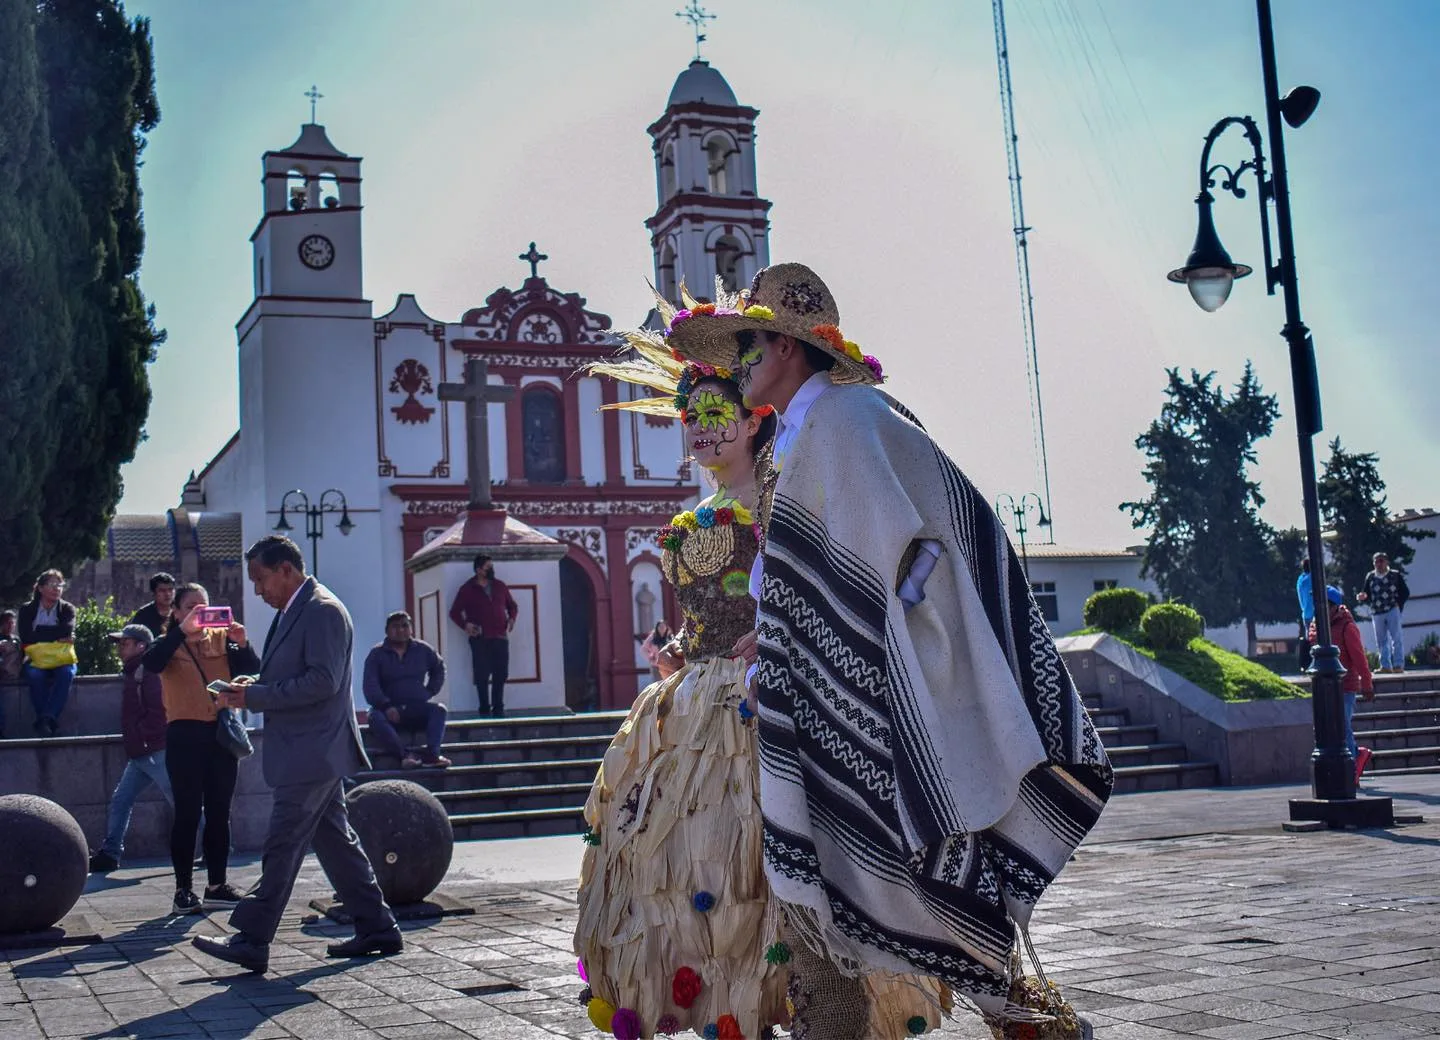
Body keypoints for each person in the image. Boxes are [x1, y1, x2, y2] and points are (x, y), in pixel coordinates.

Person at [665, 264, 1110, 1038]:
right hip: (823, 685)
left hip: (872, 686)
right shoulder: (806, 436)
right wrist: (781, 628)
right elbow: (823, 566)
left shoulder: (849, 422)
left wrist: (866, 629)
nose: (737, 367)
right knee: (847, 878)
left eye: (748, 348)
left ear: (786, 348)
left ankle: (1019, 1014)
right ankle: (1009, 1015)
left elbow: (926, 542)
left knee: (906, 856)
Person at [573, 328, 947, 1039]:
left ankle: (806, 1002)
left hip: (772, 699)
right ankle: (733, 1005)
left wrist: (779, 633)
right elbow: (699, 618)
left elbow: (825, 585)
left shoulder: (786, 504)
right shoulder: (685, 526)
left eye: (718, 418)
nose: (704, 433)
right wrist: (679, 652)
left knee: (776, 858)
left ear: (753, 421)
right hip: (691, 718)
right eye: (693, 421)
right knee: (690, 860)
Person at [192, 535, 400, 973]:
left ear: (286, 569)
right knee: (337, 843)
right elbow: (297, 675)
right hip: (311, 749)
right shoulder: (298, 609)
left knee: (282, 844)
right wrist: (253, 687)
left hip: (314, 750)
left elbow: (321, 683)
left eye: (261, 578)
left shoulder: (322, 610)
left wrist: (253, 698)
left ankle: (252, 937)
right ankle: (377, 926)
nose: (258, 589)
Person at [143, 583, 258, 914]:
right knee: (188, 812)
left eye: (204, 606)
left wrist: (242, 642)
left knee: (220, 811)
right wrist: (182, 631)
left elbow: (253, 671)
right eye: (192, 607)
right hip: (184, 733)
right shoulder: (168, 643)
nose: (199, 612)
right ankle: (183, 889)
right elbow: (151, 663)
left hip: (220, 734)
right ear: (177, 611)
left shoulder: (222, 641)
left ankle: (217, 885)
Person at [89, 624, 174, 873]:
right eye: (119, 643)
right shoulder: (134, 670)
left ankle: (219, 846)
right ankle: (110, 853)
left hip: (154, 750)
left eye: (124, 643)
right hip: (141, 752)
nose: (119, 648)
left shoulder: (147, 671)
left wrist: (146, 738)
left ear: (141, 646)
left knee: (182, 801)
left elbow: (159, 711)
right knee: (121, 800)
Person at [362, 610, 450, 768]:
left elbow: (439, 668)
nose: (401, 630)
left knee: (439, 710)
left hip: (416, 707)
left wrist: (429, 691)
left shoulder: (423, 650)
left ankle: (432, 755)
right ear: (387, 631)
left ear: (411, 629)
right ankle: (405, 755)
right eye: (395, 627)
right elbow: (370, 684)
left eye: (405, 626)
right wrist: (386, 706)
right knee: (374, 717)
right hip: (389, 711)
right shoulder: (377, 654)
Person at [1310, 585, 1376, 782]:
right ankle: (1357, 754)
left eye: (1326, 606)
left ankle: (1352, 766)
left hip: (1345, 686)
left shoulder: (1347, 626)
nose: (1320, 610)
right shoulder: (1317, 626)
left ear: (1335, 607)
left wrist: (1367, 682)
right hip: (1324, 687)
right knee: (1334, 727)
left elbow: (1359, 658)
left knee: (1343, 726)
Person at [448, 555, 517, 717]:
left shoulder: (500, 586)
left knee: (501, 674)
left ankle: (498, 708)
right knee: (482, 675)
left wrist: (512, 618)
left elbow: (512, 606)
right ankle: (484, 709)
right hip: (480, 638)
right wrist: (466, 625)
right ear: (478, 570)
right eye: (487, 567)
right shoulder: (467, 589)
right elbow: (454, 612)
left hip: (500, 636)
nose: (491, 570)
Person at [18, 569, 78, 737]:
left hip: (61, 657)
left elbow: (67, 630)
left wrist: (40, 632)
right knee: (34, 675)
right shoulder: (27, 610)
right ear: (40, 588)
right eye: (52, 585)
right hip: (35, 657)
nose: (57, 589)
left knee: (66, 673)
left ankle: (46, 718)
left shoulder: (67, 609)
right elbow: (26, 636)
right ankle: (47, 720)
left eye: (60, 585)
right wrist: (56, 635)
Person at [1357, 551, 1409, 673]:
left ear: (1386, 562)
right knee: (1381, 640)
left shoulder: (1395, 575)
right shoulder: (1370, 576)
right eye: (1376, 561)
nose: (1379, 564)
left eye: (1381, 561)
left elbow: (1405, 592)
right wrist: (1363, 596)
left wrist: (1398, 603)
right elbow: (1366, 592)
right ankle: (1385, 665)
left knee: (1396, 637)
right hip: (1377, 611)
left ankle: (1398, 665)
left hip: (1392, 609)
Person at [129, 572, 177, 638]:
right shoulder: (143, 615)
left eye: (170, 590)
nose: (167, 594)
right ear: (153, 593)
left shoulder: (180, 611)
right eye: (162, 590)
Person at [0, 609, 22, 739]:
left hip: (12, 678)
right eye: (7, 623)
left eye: (12, 623)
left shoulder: (17, 641)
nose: (10, 626)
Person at [1295, 559, 1314, 672]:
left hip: (1305, 613)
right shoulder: (1313, 578)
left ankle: (1308, 663)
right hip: (1315, 613)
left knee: (1309, 638)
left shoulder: (1300, 579)